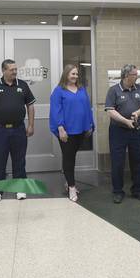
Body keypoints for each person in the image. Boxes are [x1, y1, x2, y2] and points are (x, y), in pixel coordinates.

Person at [0, 59, 36, 202]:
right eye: (12, 69)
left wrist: (31, 125)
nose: (15, 72)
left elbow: (30, 106)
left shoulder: (23, 85)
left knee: (19, 160)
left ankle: (20, 188)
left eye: (15, 69)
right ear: (4, 70)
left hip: (19, 129)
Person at [105, 64, 140, 204]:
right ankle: (118, 191)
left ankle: (138, 190)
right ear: (126, 76)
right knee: (117, 162)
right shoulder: (113, 90)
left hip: (135, 130)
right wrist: (125, 121)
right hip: (118, 131)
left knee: (138, 160)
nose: (136, 76)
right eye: (134, 74)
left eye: (136, 74)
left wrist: (137, 113)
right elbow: (110, 110)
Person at [49, 64, 95, 202]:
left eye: (76, 74)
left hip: (80, 129)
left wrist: (90, 124)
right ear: (66, 75)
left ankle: (68, 181)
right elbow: (56, 111)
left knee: (71, 157)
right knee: (69, 158)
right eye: (72, 74)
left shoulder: (81, 90)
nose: (75, 76)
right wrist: (60, 128)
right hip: (66, 132)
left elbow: (87, 108)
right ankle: (72, 187)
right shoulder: (58, 91)